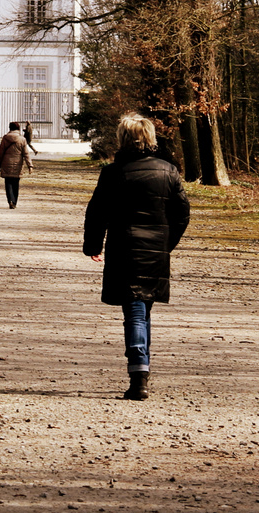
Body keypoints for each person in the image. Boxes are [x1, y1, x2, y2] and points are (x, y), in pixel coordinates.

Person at [82, 112, 191, 401]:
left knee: (135, 312)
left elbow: (97, 212)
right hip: (156, 250)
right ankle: (142, 369)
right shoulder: (168, 171)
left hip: (125, 247)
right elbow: (182, 214)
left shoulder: (113, 172)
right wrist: (166, 243)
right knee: (143, 309)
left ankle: (139, 375)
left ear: (123, 139)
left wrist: (94, 245)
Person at [0, 121, 34, 208]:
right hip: (18, 163)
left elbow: (1, 152)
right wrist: (30, 165)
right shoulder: (22, 139)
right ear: (18, 129)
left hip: (6, 162)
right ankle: (14, 202)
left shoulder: (5, 138)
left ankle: (10, 199)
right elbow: (26, 153)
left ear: (10, 128)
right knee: (16, 183)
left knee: (8, 183)